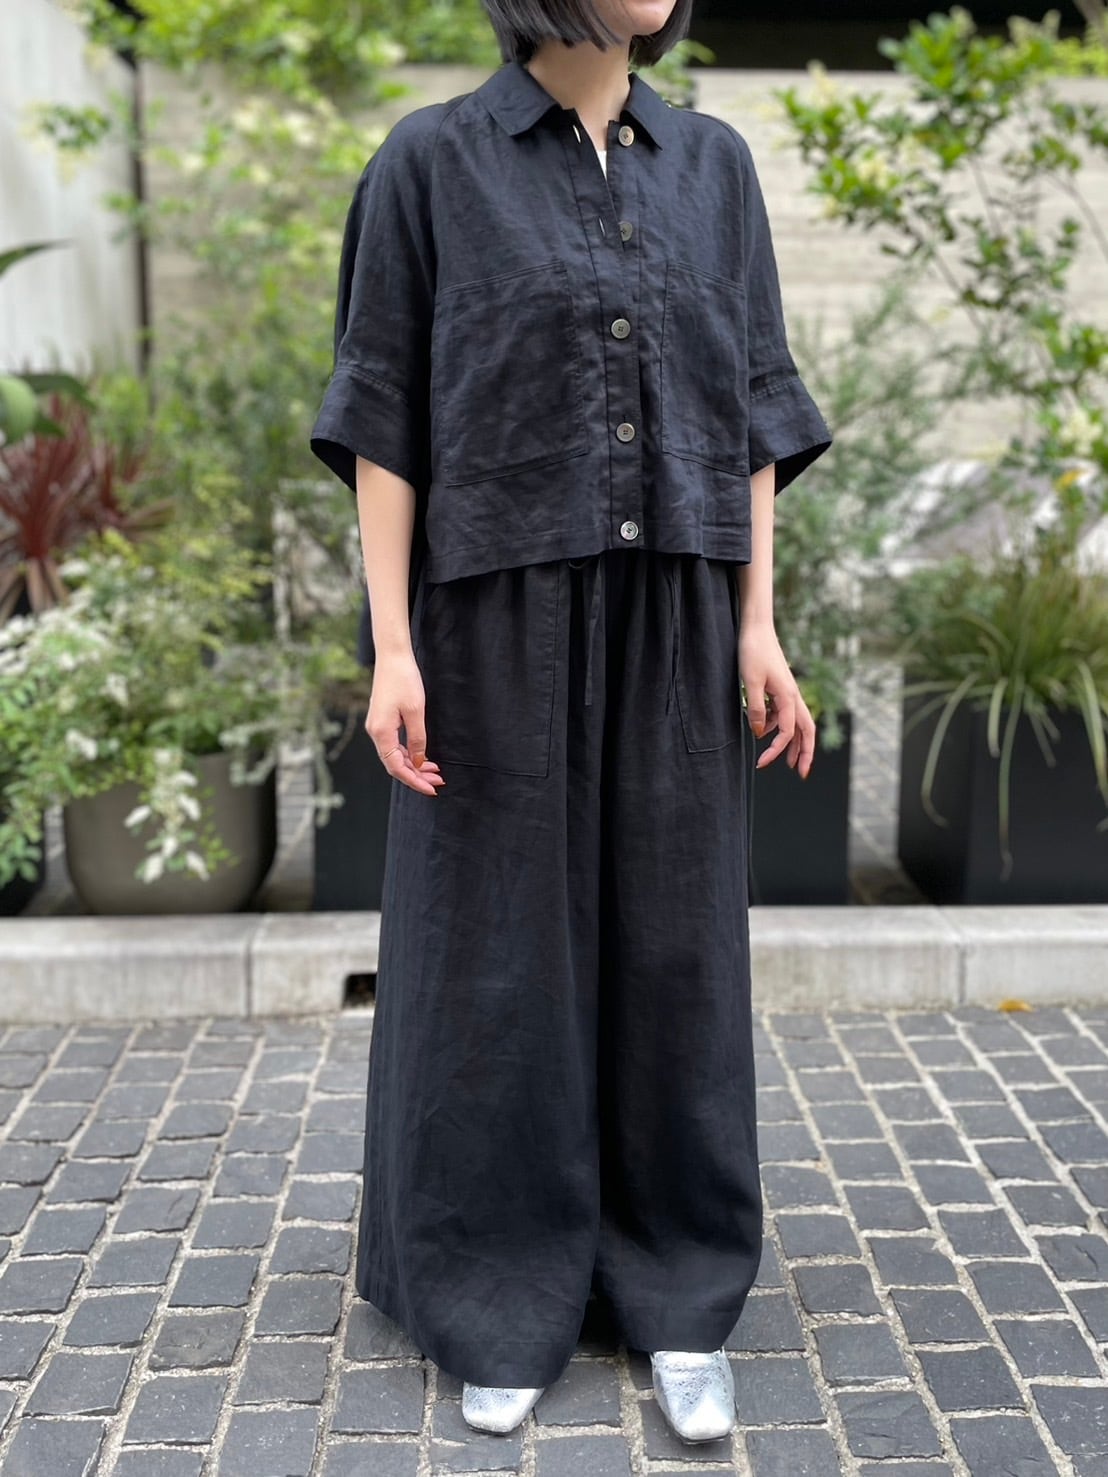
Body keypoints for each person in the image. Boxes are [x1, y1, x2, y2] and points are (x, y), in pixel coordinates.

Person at [309, 0, 833, 1447]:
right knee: (495, 955)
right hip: (493, 613)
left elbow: (752, 410)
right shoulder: (430, 163)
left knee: (676, 949)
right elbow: (383, 413)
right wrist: (394, 644)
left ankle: (679, 1294)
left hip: (678, 606)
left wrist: (755, 621)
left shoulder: (714, 167)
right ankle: (494, 1292)